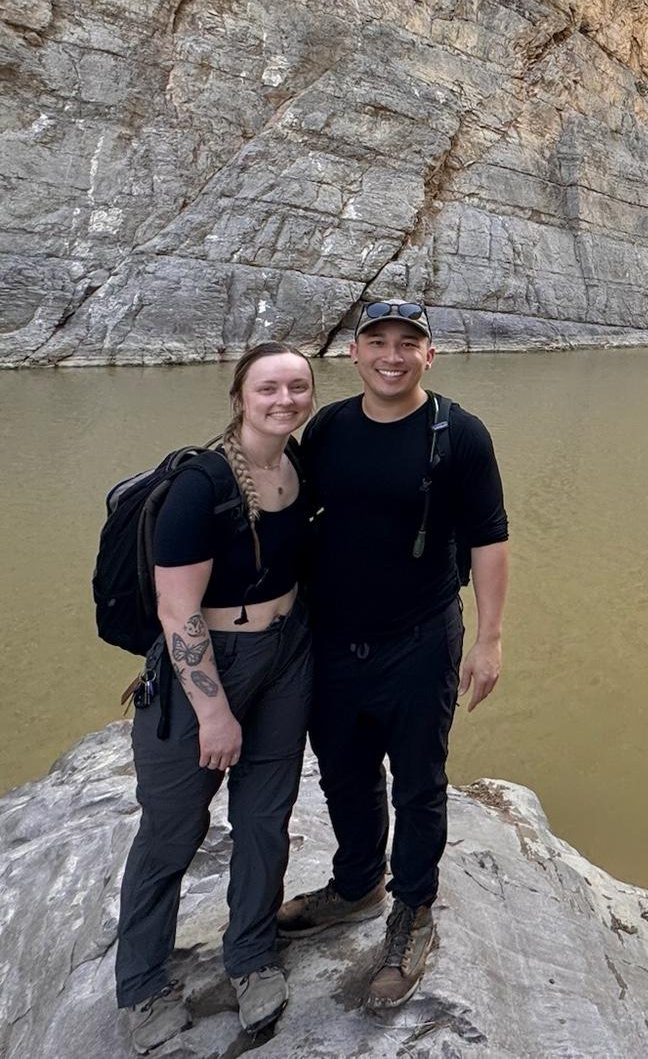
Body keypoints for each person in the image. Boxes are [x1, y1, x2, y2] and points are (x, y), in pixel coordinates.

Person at [277, 299, 510, 1010]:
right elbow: (289, 513)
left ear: (429, 356)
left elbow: (490, 538)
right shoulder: (330, 428)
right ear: (354, 354)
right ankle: (355, 886)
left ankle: (411, 910)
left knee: (418, 780)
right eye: (377, 341)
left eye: (408, 343)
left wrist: (492, 639)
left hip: (421, 638)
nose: (392, 355)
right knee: (344, 775)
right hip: (333, 639)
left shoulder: (460, 434)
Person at [115, 343, 318, 1054]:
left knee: (265, 816)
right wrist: (214, 712)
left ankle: (251, 954)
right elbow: (178, 612)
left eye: (297, 386)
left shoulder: (298, 467)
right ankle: (141, 987)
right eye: (269, 387)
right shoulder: (203, 486)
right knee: (171, 832)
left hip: (287, 654)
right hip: (206, 665)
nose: (284, 399)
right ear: (239, 396)